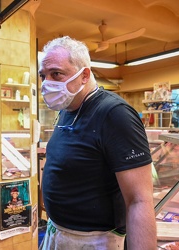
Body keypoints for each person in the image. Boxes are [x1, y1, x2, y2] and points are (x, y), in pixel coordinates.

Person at [38, 36, 157, 249]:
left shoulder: (114, 114)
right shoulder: (67, 108)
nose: (47, 83)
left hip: (94, 241)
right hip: (58, 233)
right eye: (43, 76)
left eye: (56, 73)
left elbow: (140, 200)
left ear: (84, 75)